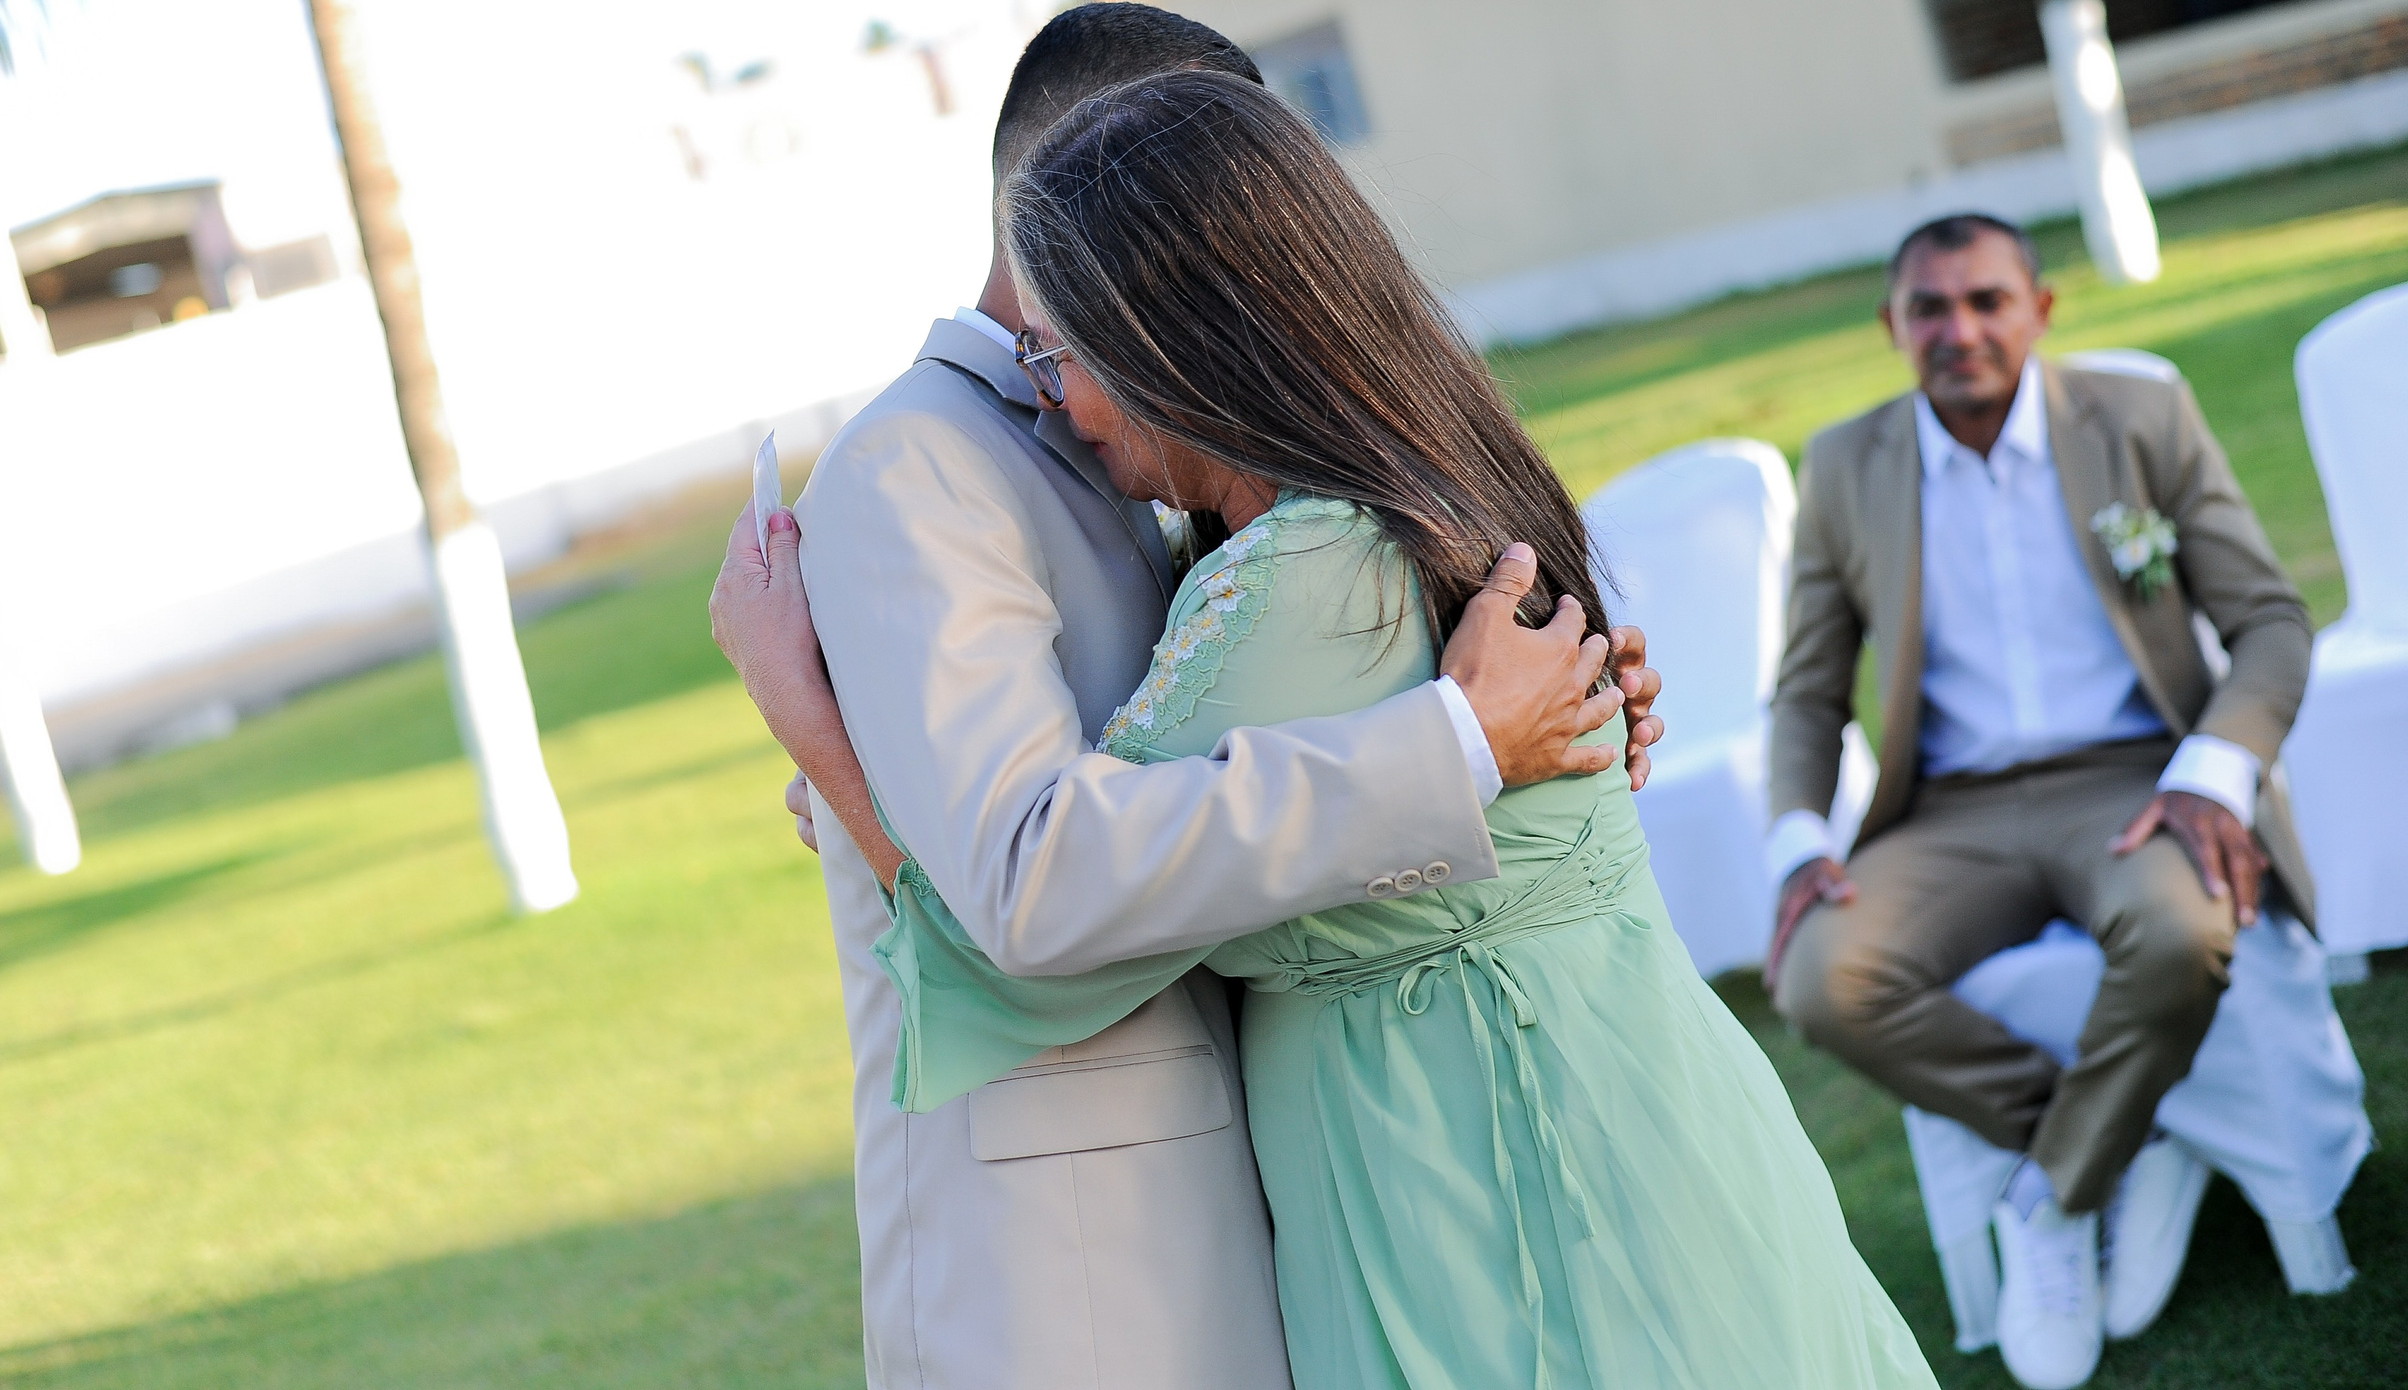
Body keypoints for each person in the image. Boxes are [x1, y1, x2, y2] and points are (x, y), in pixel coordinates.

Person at [750, 68, 1934, 1390]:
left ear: (1175, 333)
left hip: (1487, 1177)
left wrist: (822, 736)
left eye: (1063, 351)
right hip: (1602, 1123)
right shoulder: (1416, 488)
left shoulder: (1302, 582)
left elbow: (1039, 929)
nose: (1055, 403)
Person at [1764, 214, 2316, 1390]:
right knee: (1821, 977)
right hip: (1952, 812)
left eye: (1985, 301)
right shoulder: (1846, 463)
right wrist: (1798, 840)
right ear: (1890, 324)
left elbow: (2267, 620)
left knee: (2182, 927)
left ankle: (2049, 1203)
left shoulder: (2138, 419)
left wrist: (2210, 774)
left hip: (2134, 781)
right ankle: (2107, 1149)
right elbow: (1808, 692)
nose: (1957, 330)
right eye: (1928, 308)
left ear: (2040, 309)